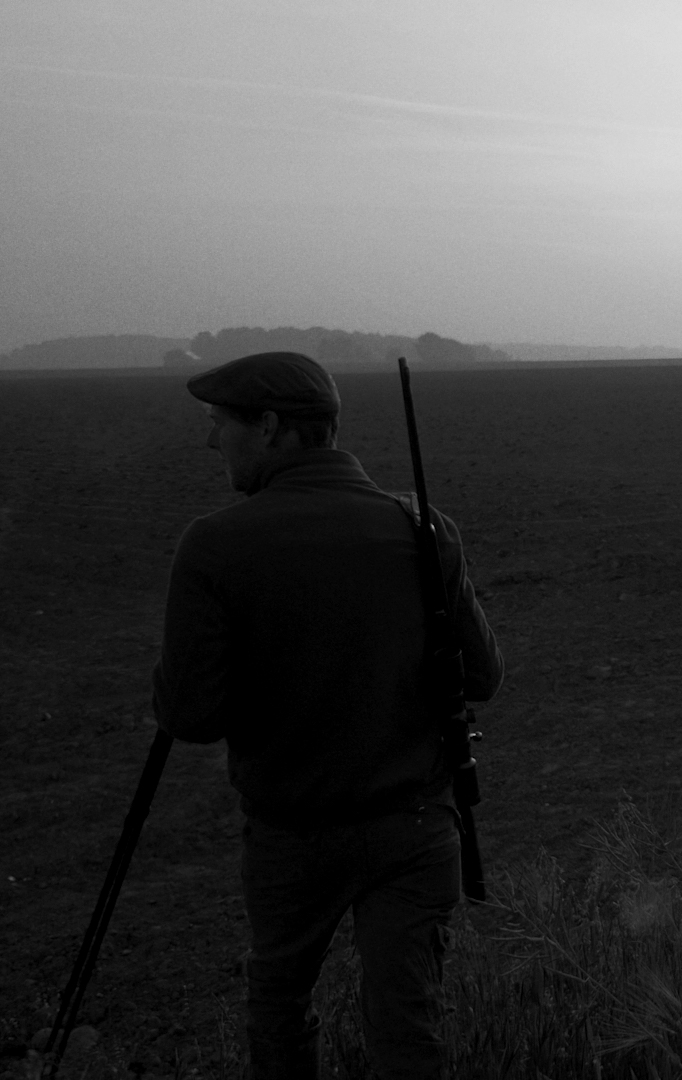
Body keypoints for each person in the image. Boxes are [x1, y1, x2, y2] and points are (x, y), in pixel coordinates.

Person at [152, 351, 503, 1079]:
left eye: (220, 424)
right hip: (416, 827)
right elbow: (483, 676)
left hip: (293, 837)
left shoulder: (214, 545)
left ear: (270, 426)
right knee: (408, 1028)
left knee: (280, 1006)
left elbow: (190, 715)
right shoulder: (422, 528)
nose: (212, 440)